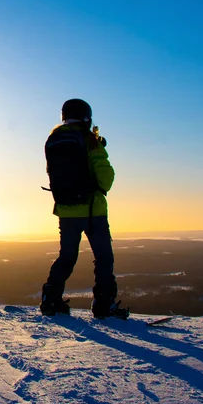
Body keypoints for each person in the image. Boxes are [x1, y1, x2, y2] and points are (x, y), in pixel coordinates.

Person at [40, 99, 126, 319]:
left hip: (66, 210)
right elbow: (106, 177)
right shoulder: (89, 139)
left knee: (66, 257)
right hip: (92, 210)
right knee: (103, 258)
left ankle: (51, 299)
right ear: (86, 118)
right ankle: (103, 304)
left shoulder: (54, 139)